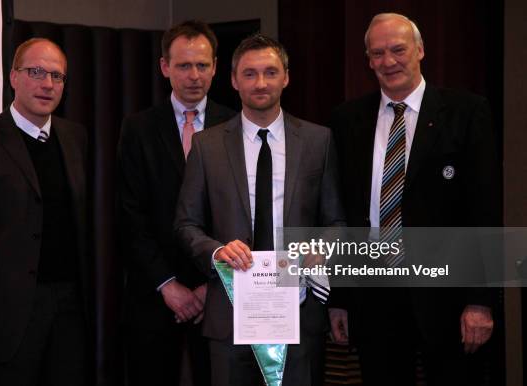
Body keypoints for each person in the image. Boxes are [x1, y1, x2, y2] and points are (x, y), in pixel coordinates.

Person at [328, 13, 499, 386]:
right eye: (377, 53)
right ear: (368, 60)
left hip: (448, 298)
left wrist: (480, 300)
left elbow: (483, 211)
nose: (388, 61)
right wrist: (339, 296)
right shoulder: (346, 120)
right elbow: (341, 213)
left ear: (420, 50)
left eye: (398, 49)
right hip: (373, 295)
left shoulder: (466, 112)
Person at [174, 34, 344, 386]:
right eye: (249, 74)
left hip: (298, 311)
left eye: (270, 72)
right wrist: (218, 251)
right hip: (231, 313)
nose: (261, 82)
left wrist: (321, 249)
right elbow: (186, 224)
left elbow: (336, 221)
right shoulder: (207, 146)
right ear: (234, 80)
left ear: (286, 77)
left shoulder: (318, 141)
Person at [0, 38, 90, 386]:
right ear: (13, 77)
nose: (48, 84)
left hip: (68, 307)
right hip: (3, 310)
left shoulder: (76, 137)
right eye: (36, 72)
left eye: (57, 76)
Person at [117, 20, 235, 386]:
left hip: (219, 294)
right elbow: (129, 215)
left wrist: (208, 287)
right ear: (165, 67)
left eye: (202, 65)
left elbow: (241, 216)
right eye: (184, 65)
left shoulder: (235, 126)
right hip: (155, 294)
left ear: (216, 67)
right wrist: (168, 285)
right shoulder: (137, 129)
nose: (194, 76)